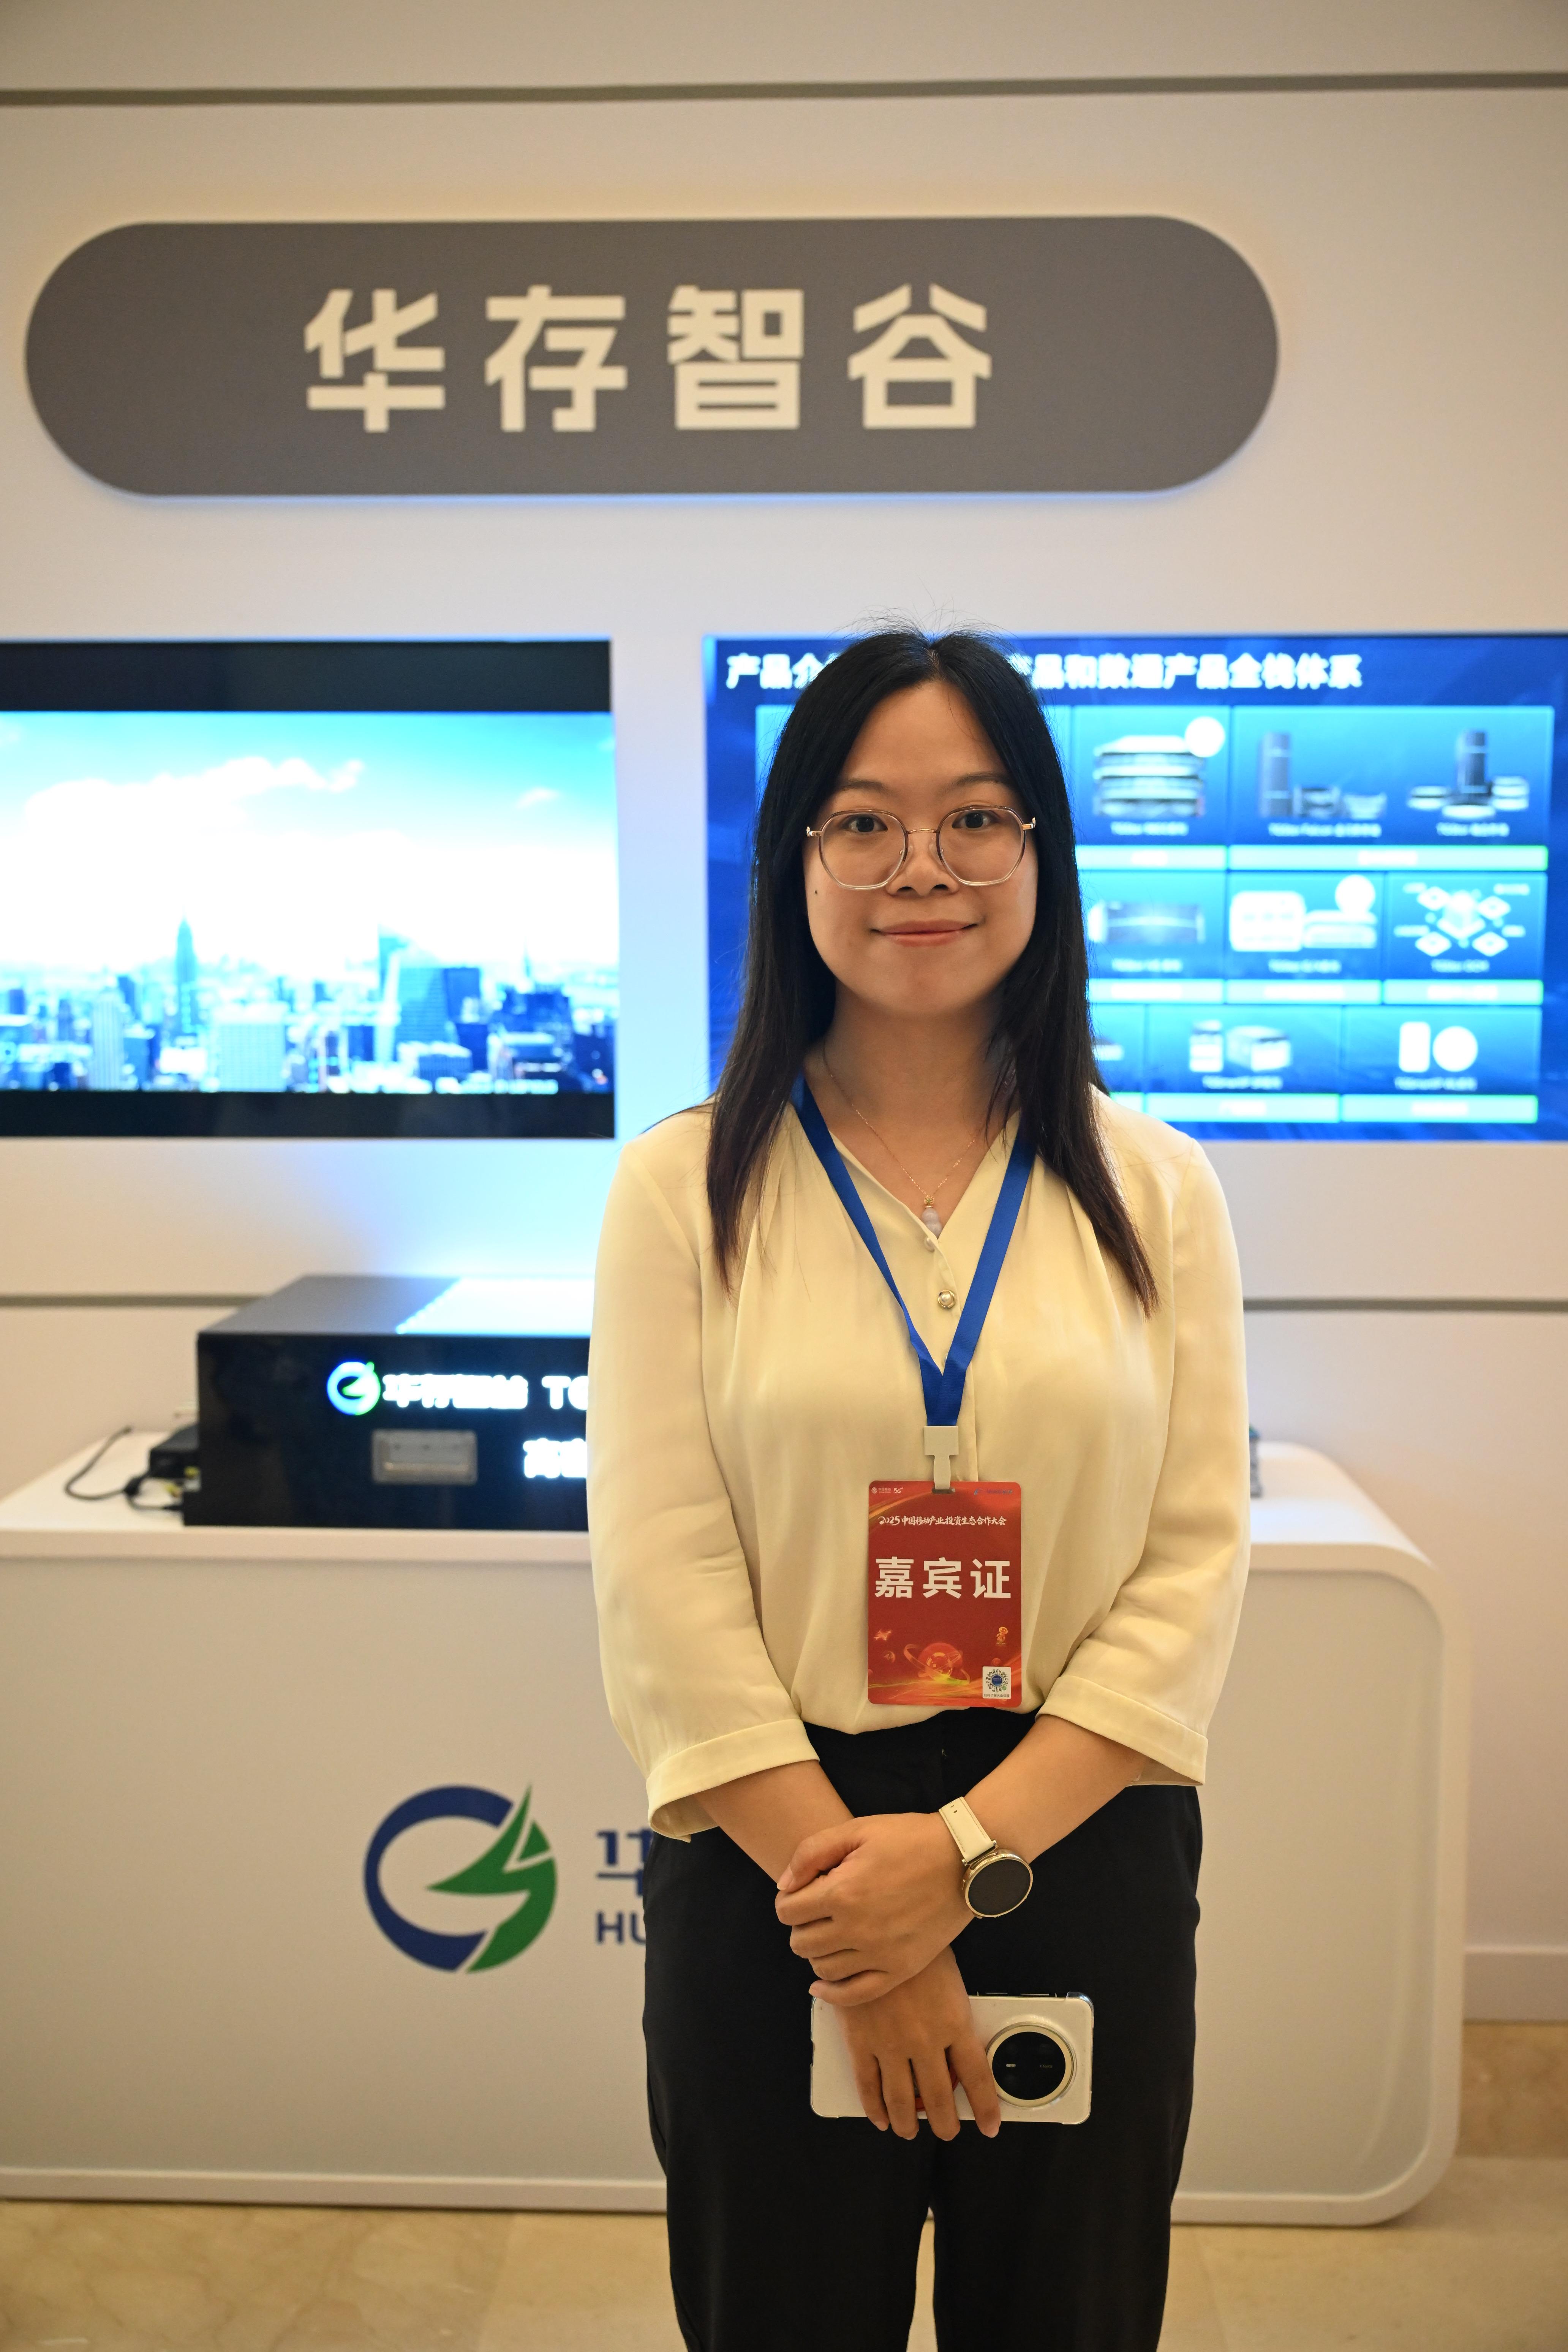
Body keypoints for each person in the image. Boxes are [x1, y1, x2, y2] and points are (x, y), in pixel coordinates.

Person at [587, 629, 1249, 2352]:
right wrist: (865, 1925)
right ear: (794, 857)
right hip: (777, 1859)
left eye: (975, 818)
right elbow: (663, 1584)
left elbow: (1191, 1566)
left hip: (1072, 1840)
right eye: (865, 822)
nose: (922, 869)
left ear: (1041, 851)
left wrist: (963, 1860)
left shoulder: (1158, 1188)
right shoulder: (681, 1188)